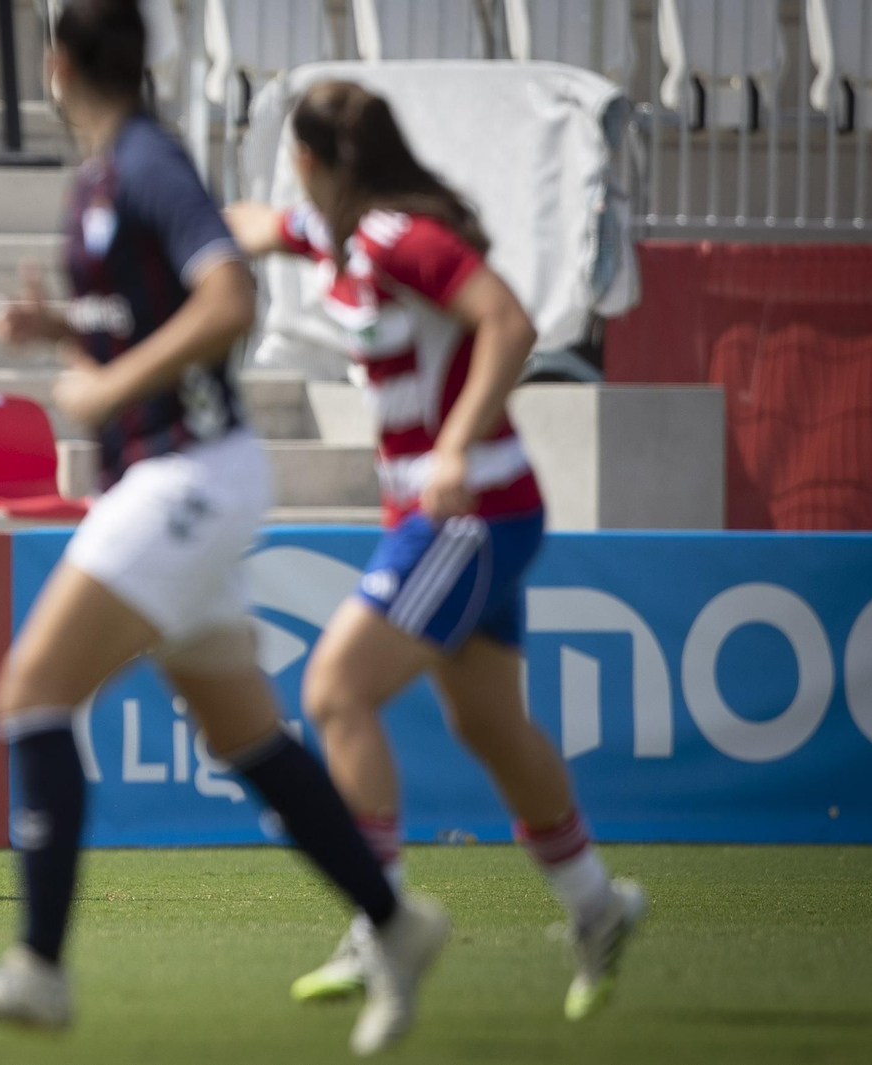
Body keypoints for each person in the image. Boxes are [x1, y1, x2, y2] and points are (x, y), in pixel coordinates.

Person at [0, 4, 445, 1057]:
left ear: (57, 64)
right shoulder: (104, 176)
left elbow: (229, 299)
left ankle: (38, 969)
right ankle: (394, 920)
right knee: (244, 735)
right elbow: (149, 319)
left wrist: (109, 387)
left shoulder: (148, 163)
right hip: (171, 475)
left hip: (186, 473)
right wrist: (60, 330)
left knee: (30, 694)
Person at [224, 79, 646, 1022]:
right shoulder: (339, 232)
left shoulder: (397, 239)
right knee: (490, 725)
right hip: (466, 514)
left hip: (469, 510)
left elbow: (510, 322)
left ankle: (382, 924)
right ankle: (597, 904)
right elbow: (261, 225)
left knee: (336, 691)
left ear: (311, 160)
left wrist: (454, 443)